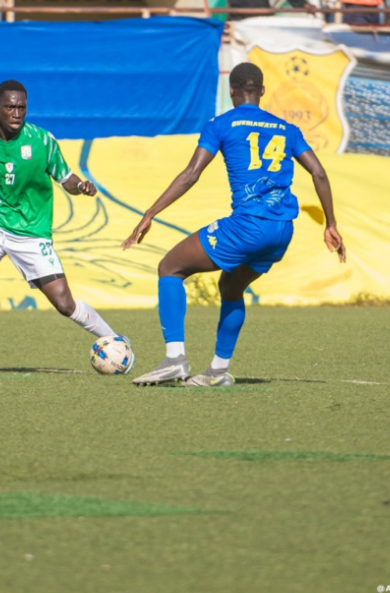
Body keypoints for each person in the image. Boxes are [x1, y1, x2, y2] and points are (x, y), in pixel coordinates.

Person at [122, 62, 345, 387]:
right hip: (282, 230)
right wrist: (331, 223)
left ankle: (174, 360)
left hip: (248, 225)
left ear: (232, 92)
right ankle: (216, 371)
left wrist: (150, 213)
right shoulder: (287, 129)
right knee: (230, 287)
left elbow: (191, 175)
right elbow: (320, 173)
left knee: (170, 267)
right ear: (262, 92)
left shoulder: (221, 124)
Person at [0, 80, 127, 376]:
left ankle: (114, 340)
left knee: (64, 304)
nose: (16, 113)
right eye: (10, 107)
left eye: (22, 107)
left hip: (31, 233)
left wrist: (81, 186)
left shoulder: (42, 140)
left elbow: (65, 178)